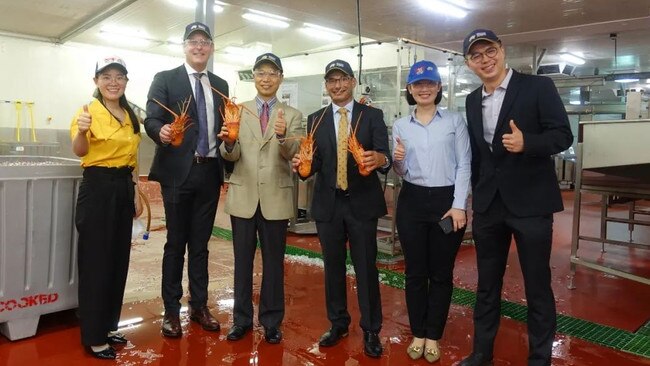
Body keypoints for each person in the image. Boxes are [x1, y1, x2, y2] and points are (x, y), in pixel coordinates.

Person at [459, 29, 573, 366]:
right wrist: (474, 197)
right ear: (469, 63)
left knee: (537, 285)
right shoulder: (471, 99)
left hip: (531, 204)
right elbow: (480, 154)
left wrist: (529, 144)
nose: (485, 59)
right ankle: (482, 353)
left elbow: (562, 135)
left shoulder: (538, 87)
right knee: (486, 284)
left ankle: (539, 359)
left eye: (490, 50)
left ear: (502, 50)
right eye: (476, 55)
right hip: (490, 206)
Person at [291, 59, 391, 358]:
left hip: (362, 204)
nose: (337, 85)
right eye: (331, 80)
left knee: (365, 267)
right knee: (332, 267)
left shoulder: (372, 115)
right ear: (326, 85)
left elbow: (384, 154)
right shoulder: (316, 119)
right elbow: (314, 165)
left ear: (353, 81)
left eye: (342, 79)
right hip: (328, 204)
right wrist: (303, 168)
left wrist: (379, 159)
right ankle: (338, 324)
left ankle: (372, 329)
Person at [144, 21, 229, 338]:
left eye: (204, 41)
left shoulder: (220, 84)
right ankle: (170, 311)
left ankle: (200, 306)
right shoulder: (165, 79)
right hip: (178, 173)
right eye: (192, 41)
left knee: (201, 245)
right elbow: (150, 118)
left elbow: (224, 128)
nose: (198, 46)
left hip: (209, 170)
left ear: (211, 47)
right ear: (184, 46)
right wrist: (161, 132)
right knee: (175, 243)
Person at [218, 53, 302, 344]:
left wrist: (282, 138)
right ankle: (241, 320)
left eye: (272, 73)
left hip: (276, 199)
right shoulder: (236, 111)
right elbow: (231, 155)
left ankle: (271, 321)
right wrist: (228, 142)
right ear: (253, 77)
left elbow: (294, 154)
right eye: (261, 73)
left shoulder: (293, 115)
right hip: (243, 196)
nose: (266, 78)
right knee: (241, 262)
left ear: (280, 77)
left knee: (274, 264)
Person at [392, 60, 471, 363]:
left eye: (429, 84)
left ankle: (434, 335)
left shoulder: (454, 122)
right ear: (410, 90)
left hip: (446, 203)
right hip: (411, 201)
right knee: (414, 272)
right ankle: (418, 333)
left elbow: (465, 164)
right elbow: (401, 171)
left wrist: (459, 205)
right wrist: (398, 159)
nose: (424, 89)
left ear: (439, 87)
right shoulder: (401, 125)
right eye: (417, 84)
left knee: (441, 273)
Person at [70, 56, 142, 359]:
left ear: (126, 81)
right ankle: (94, 335)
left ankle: (110, 324)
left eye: (119, 76)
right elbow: (80, 151)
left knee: (117, 260)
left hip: (123, 186)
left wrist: (136, 191)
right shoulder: (87, 112)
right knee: (96, 262)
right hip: (98, 187)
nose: (114, 82)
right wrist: (82, 131)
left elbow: (133, 156)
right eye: (107, 76)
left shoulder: (129, 113)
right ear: (96, 81)